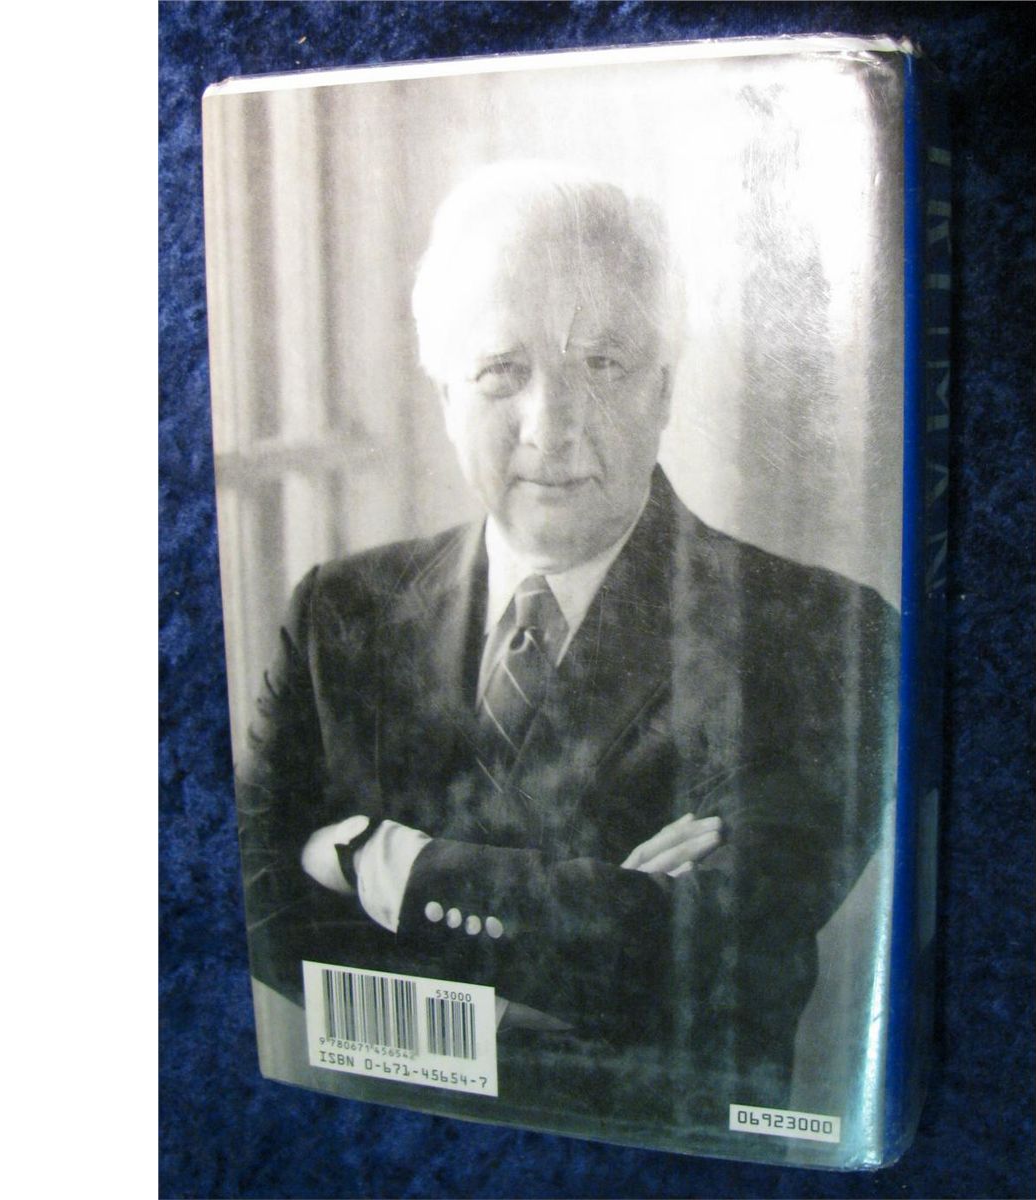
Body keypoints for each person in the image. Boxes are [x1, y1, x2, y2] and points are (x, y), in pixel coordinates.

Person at [238, 161, 897, 1130]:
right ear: (445, 396)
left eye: (603, 364)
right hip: (395, 1140)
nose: (553, 426)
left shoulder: (821, 635)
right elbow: (259, 908)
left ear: (664, 390)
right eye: (502, 371)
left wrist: (384, 861)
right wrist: (605, 927)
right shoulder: (340, 611)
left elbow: (720, 950)